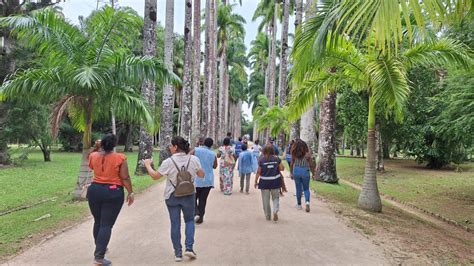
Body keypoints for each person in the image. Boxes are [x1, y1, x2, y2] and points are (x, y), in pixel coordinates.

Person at [143, 136, 205, 262]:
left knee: (175, 223)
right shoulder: (194, 159)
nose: (170, 148)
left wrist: (148, 165)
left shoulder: (168, 162)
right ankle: (189, 248)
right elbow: (201, 175)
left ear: (176, 147)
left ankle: (178, 253)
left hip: (172, 196)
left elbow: (155, 176)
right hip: (189, 195)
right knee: (189, 221)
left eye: (171, 146)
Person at [87, 134, 134, 265]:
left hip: (94, 190)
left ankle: (100, 247)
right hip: (113, 192)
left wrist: (96, 147)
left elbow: (90, 163)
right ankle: (99, 257)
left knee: (98, 221)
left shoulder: (93, 155)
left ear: (102, 144)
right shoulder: (120, 158)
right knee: (106, 224)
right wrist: (130, 192)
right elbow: (125, 177)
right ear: (114, 145)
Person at [254, 145, 285, 221]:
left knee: (265, 200)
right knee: (275, 198)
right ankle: (275, 210)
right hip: (275, 181)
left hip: (264, 182)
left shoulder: (262, 160)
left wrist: (255, 181)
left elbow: (258, 172)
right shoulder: (276, 159)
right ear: (273, 151)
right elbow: (282, 168)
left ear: (264, 151)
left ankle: (268, 216)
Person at [191, 137, 218, 224]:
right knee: (203, 200)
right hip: (208, 180)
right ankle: (200, 218)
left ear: (203, 143)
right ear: (211, 145)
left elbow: (188, 157)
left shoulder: (195, 150)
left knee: (193, 197)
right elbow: (215, 166)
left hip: (196, 179)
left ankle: (196, 213)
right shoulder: (213, 154)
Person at [291, 139, 316, 212]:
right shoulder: (307, 154)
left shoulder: (294, 153)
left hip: (296, 171)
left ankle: (299, 205)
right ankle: (307, 202)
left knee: (298, 189)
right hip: (305, 171)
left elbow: (292, 164)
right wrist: (313, 174)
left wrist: (291, 173)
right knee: (306, 189)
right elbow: (311, 165)